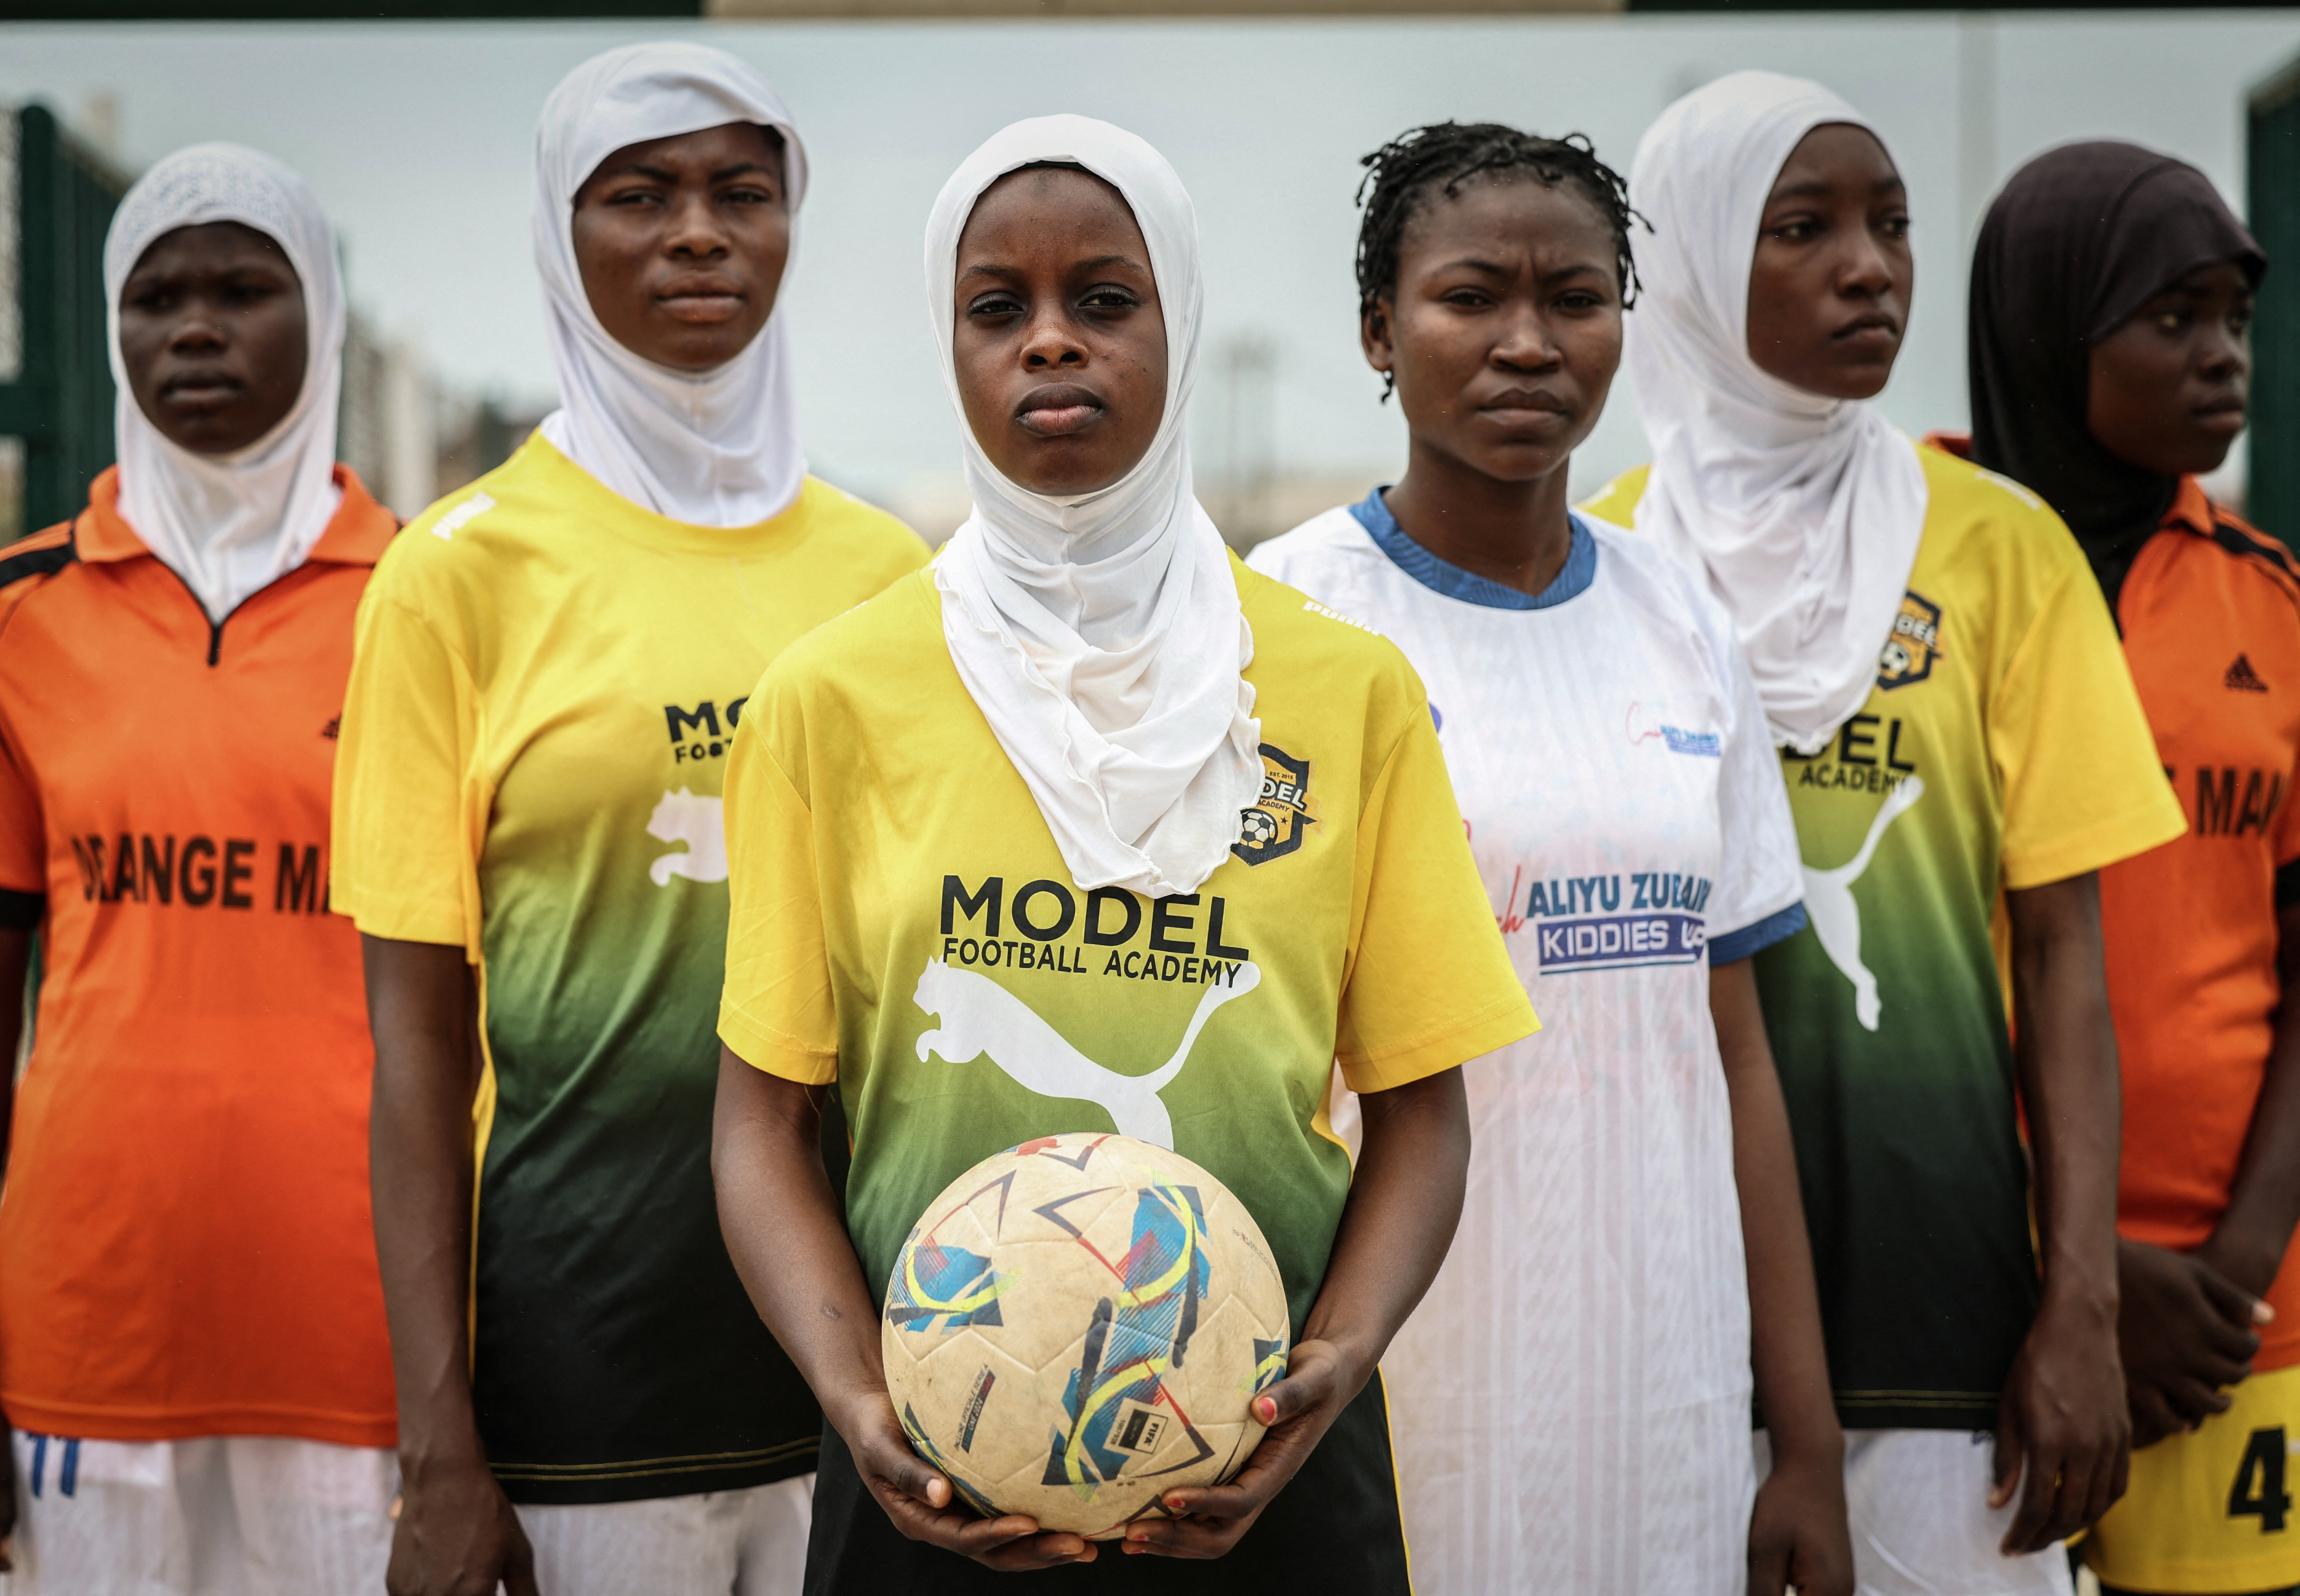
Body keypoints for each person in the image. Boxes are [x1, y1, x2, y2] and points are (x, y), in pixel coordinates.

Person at [710, 114, 1534, 1592]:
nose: (1050, 342)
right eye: (996, 308)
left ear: (1181, 324)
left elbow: (1423, 1116)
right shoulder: (828, 700)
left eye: (1104, 299)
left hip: (1270, 1467)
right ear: (949, 346)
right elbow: (761, 1129)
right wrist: (855, 1400)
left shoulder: (1347, 692)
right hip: (934, 1470)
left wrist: (1337, 1363)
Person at [330, 43, 928, 1596]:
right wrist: (438, 1449)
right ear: (560, 230)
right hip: (577, 1391)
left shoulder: (888, 577)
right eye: (639, 195)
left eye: (743, 193)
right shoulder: (456, 575)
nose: (699, 234)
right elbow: (416, 1051)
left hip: (869, 1392)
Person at [1583, 72, 2187, 1596]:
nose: (1871, 267)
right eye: (1804, 228)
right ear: (1696, 264)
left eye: (1893, 224)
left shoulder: (2002, 544)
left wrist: (2083, 1308)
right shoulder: (1607, 558)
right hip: (1669, 1308)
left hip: (1951, 1307)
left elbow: (2061, 958)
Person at [1248, 120, 1851, 1595]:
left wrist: (1808, 1440)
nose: (1528, 343)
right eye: (1471, 298)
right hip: (1396, 1391)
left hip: (1670, 1394)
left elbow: (1737, 1052)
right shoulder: (1283, 625)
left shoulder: (1680, 619)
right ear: (1380, 329)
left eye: (1576, 299)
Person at [0, 144, 399, 1593]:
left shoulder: (429, 603)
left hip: (363, 1345)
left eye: (244, 292)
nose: (194, 330)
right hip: (83, 1342)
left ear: (321, 317)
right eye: (155, 297)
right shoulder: (15, 613)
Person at [1962, 140, 2300, 1596]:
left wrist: (2233, 1277)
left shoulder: (2273, 603)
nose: (2223, 356)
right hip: (1967, 1289)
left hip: (2233, 1322)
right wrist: (2073, 1272)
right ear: (2049, 328)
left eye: (2235, 318)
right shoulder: (1912, 578)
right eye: (2172, 317)